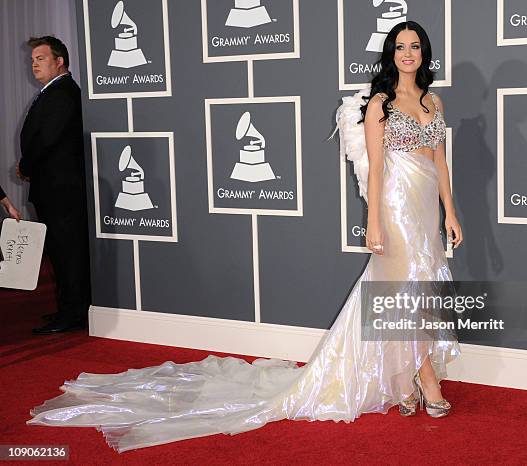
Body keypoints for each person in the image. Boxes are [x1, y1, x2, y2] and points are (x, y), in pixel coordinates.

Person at [27, 22, 463, 451]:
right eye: (400, 47)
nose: (408, 54)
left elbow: (440, 162)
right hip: (396, 205)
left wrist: (451, 213)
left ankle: (406, 377)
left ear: (424, 54)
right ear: (391, 54)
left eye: (415, 47)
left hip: (426, 206)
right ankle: (423, 376)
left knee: (416, 290)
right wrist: (374, 220)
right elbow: (376, 167)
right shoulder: (380, 104)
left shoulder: (433, 101)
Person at [18, 36, 91, 334]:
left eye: (41, 58)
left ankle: (74, 314)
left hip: (62, 189)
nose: (34, 64)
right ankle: (68, 308)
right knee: (60, 252)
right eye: (33, 59)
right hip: (54, 187)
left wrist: (26, 165)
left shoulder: (62, 93)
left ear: (59, 61)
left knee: (68, 252)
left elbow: (47, 139)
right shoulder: (53, 92)